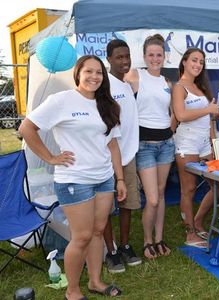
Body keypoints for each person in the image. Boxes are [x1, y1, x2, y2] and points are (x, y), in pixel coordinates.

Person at [18, 55, 124, 299]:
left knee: (98, 231)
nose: (94, 77)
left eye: (99, 72)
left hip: (104, 178)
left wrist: (119, 179)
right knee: (82, 236)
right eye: (89, 71)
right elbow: (27, 128)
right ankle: (72, 291)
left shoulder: (107, 104)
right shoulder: (62, 100)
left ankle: (95, 282)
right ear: (78, 73)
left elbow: (113, 145)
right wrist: (51, 157)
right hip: (75, 180)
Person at [125, 34, 176, 259]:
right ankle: (147, 241)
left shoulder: (168, 82)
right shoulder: (135, 76)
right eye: (151, 55)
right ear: (144, 56)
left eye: (159, 55)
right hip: (144, 146)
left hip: (166, 144)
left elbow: (173, 114)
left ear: (165, 56)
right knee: (152, 198)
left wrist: (171, 129)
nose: (155, 58)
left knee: (162, 194)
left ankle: (159, 238)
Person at [172, 48, 219, 248]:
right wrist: (208, 109)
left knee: (218, 185)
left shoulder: (200, 87)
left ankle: (197, 221)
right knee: (188, 190)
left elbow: (209, 119)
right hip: (187, 143)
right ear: (184, 62)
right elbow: (181, 115)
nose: (198, 64)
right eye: (194, 60)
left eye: (201, 61)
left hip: (204, 143)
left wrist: (213, 140)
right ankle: (190, 234)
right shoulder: (179, 87)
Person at [102, 39, 142, 273]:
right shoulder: (103, 85)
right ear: (109, 59)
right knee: (106, 208)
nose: (125, 61)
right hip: (107, 159)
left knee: (127, 204)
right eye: (119, 57)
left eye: (127, 56)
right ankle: (112, 251)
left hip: (128, 156)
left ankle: (125, 245)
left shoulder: (126, 85)